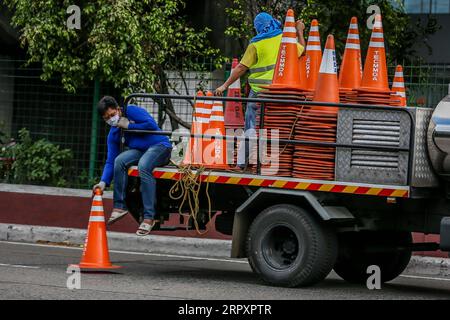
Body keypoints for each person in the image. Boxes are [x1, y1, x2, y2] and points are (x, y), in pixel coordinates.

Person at [215, 12, 306, 169]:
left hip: (258, 93)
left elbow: (241, 68)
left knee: (251, 128)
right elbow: (302, 50)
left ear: (258, 28)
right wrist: (299, 31)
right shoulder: (284, 40)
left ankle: (241, 164)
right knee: (276, 127)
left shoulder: (256, 44)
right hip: (282, 94)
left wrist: (225, 86)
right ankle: (275, 164)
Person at [93, 96, 172, 236]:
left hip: (160, 146)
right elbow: (110, 161)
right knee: (119, 161)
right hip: (141, 151)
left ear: (118, 109)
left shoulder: (131, 111)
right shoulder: (114, 134)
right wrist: (103, 182)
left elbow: (151, 124)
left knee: (144, 165)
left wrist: (130, 126)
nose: (111, 119)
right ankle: (119, 207)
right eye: (107, 118)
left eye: (112, 115)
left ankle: (149, 218)